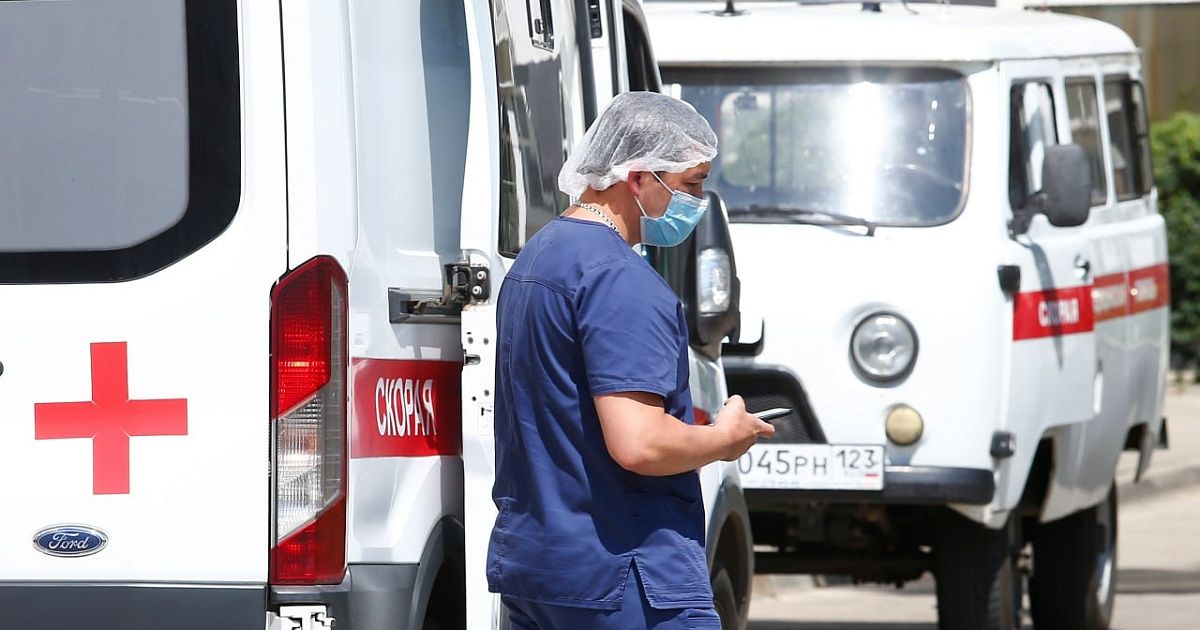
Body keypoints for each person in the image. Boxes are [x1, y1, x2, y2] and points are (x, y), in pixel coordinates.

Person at [486, 91, 775, 629]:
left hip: (542, 571)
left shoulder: (537, 258)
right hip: (625, 574)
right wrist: (724, 439)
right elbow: (639, 442)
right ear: (639, 177)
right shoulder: (619, 277)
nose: (699, 201)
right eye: (693, 183)